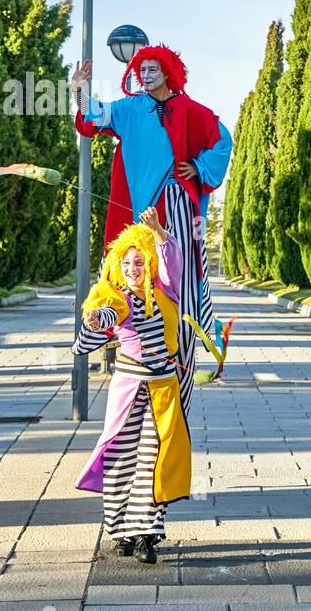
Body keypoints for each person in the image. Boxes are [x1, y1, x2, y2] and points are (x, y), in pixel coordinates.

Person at [71, 47, 232, 414]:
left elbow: (223, 141)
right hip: (134, 215)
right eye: (140, 68)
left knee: (179, 278)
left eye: (153, 68)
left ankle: (185, 348)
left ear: (169, 71)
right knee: (128, 276)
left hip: (174, 210)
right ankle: (122, 340)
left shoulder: (193, 111)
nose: (145, 74)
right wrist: (78, 90)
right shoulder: (129, 110)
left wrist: (199, 166)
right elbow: (92, 117)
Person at [71, 207, 191, 564]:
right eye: (127, 263)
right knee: (120, 456)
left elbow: (173, 262)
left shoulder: (165, 290)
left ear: (149, 263)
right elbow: (107, 312)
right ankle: (119, 530)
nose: (133, 269)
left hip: (162, 391)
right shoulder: (117, 296)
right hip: (128, 389)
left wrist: (156, 231)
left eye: (139, 263)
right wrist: (96, 318)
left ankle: (146, 536)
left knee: (155, 460)